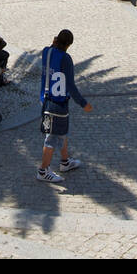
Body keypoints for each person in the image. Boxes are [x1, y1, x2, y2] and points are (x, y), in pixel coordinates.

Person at [36, 29, 92, 183]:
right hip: (58, 103)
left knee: (61, 131)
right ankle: (43, 171)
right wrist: (83, 103)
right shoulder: (65, 59)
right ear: (69, 45)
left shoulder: (46, 52)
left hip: (45, 99)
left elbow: (51, 49)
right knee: (51, 137)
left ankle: (65, 162)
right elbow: (71, 85)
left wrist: (54, 43)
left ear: (56, 40)